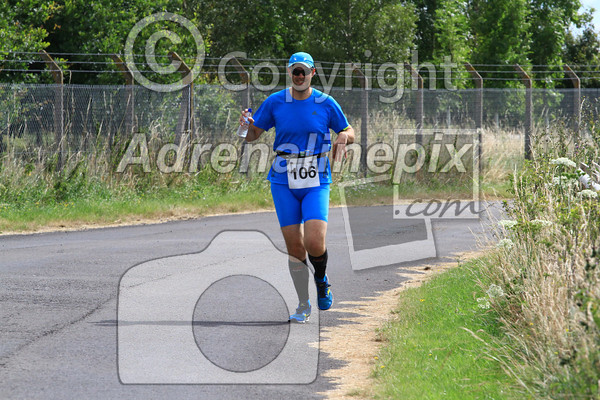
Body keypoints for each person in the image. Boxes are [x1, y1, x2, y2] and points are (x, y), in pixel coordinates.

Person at [240, 52, 355, 323]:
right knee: (295, 248)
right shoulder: (276, 101)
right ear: (289, 73)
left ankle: (322, 279)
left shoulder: (326, 103)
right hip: (282, 178)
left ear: (313, 73)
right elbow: (253, 135)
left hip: (316, 178)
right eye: (295, 71)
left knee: (314, 242)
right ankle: (303, 303)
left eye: (304, 71)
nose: (299, 76)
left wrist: (342, 136)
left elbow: (350, 131)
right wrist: (245, 126)